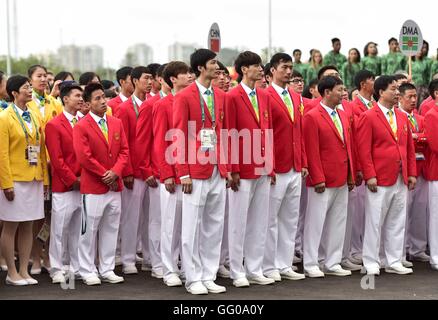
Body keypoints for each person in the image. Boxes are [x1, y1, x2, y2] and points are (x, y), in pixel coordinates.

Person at [173, 48, 228, 295]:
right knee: (191, 227)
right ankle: (193, 277)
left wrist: (227, 166)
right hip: (194, 170)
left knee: (214, 225)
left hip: (218, 167)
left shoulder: (220, 95)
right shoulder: (184, 97)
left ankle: (208, 274)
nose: (217, 67)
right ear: (200, 68)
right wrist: (182, 172)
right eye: (212, 63)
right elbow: (178, 135)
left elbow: (224, 132)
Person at [356, 75, 417, 276]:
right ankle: (371, 261)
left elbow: (408, 148)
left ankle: (393, 260)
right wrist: (370, 174)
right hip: (379, 178)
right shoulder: (369, 116)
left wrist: (411, 173)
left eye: (397, 89)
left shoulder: (401, 116)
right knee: (375, 221)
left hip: (400, 176)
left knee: (397, 220)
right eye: (393, 89)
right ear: (381, 92)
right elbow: (363, 149)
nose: (397, 93)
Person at [227, 51, 275, 288]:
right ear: (244, 69)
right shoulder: (232, 96)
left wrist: (271, 165)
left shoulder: (264, 96)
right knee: (238, 222)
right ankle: (237, 270)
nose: (260, 69)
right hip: (243, 169)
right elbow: (230, 134)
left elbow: (267, 131)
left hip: (263, 167)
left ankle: (254, 268)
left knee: (259, 220)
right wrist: (233, 168)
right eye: (256, 66)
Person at [73, 83, 129, 285]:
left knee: (111, 228)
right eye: (97, 98)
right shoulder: (81, 126)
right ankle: (87, 269)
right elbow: (84, 157)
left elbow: (124, 151)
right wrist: (105, 174)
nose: (103, 101)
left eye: (103, 97)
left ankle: (107, 268)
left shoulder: (116, 122)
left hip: (114, 185)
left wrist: (115, 172)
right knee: (89, 230)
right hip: (94, 187)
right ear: (87, 104)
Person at [302, 76, 354, 278]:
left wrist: (350, 174)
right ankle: (311, 262)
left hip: (341, 176)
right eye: (339, 89)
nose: (343, 93)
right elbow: (312, 149)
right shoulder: (312, 116)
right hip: (322, 179)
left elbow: (347, 147)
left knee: (338, 221)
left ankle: (332, 261)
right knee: (315, 222)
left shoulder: (341, 115)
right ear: (326, 92)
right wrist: (317, 177)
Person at [0, 75, 49, 286]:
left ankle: (23, 271)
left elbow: (41, 151)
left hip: (34, 178)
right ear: (14, 93)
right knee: (11, 226)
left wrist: (44, 179)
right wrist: (6, 183)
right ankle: (12, 272)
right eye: (26, 87)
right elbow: (2, 154)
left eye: (30, 86)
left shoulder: (35, 116)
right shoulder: (4, 117)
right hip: (15, 180)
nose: (30, 90)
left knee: (29, 225)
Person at [263, 53, 306, 281]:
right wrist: (268, 166)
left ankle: (284, 263)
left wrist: (303, 161)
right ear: (272, 71)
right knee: (271, 219)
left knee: (290, 218)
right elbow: (265, 134)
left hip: (294, 166)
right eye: (284, 67)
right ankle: (269, 265)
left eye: (291, 68)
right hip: (276, 166)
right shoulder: (265, 96)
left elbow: (299, 132)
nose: (289, 72)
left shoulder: (295, 97)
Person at [152, 61, 192, 287]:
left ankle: (188, 267)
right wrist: (166, 173)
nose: (189, 76)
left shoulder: (194, 101)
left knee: (189, 225)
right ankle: (169, 269)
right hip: (172, 175)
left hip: (192, 171)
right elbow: (160, 141)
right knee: (170, 225)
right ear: (172, 80)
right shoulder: (163, 104)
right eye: (184, 74)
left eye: (189, 72)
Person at [116, 66, 155, 275]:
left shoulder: (152, 105)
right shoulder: (124, 109)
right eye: (146, 78)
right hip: (134, 172)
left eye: (151, 78)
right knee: (131, 217)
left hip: (151, 169)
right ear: (134, 81)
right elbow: (122, 144)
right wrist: (128, 171)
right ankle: (128, 257)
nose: (149, 82)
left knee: (151, 217)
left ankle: (149, 256)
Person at [45, 82, 83, 284]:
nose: (80, 99)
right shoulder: (53, 124)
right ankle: (56, 267)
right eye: (76, 95)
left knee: (77, 229)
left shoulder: (83, 121)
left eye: (81, 95)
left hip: (84, 184)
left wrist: (84, 178)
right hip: (64, 185)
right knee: (59, 229)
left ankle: (75, 266)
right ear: (65, 98)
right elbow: (56, 159)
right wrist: (72, 179)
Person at [398, 83, 430, 263]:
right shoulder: (397, 117)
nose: (412, 100)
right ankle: (401, 250)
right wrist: (418, 138)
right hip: (405, 171)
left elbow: (427, 138)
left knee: (420, 210)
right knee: (403, 212)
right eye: (409, 97)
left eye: (414, 96)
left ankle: (417, 248)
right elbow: (409, 140)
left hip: (421, 168)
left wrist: (418, 137)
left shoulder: (420, 118)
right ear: (400, 98)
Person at [424, 79, 438, 270]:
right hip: (436, 174)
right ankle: (435, 255)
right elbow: (435, 145)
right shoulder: (431, 114)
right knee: (436, 216)